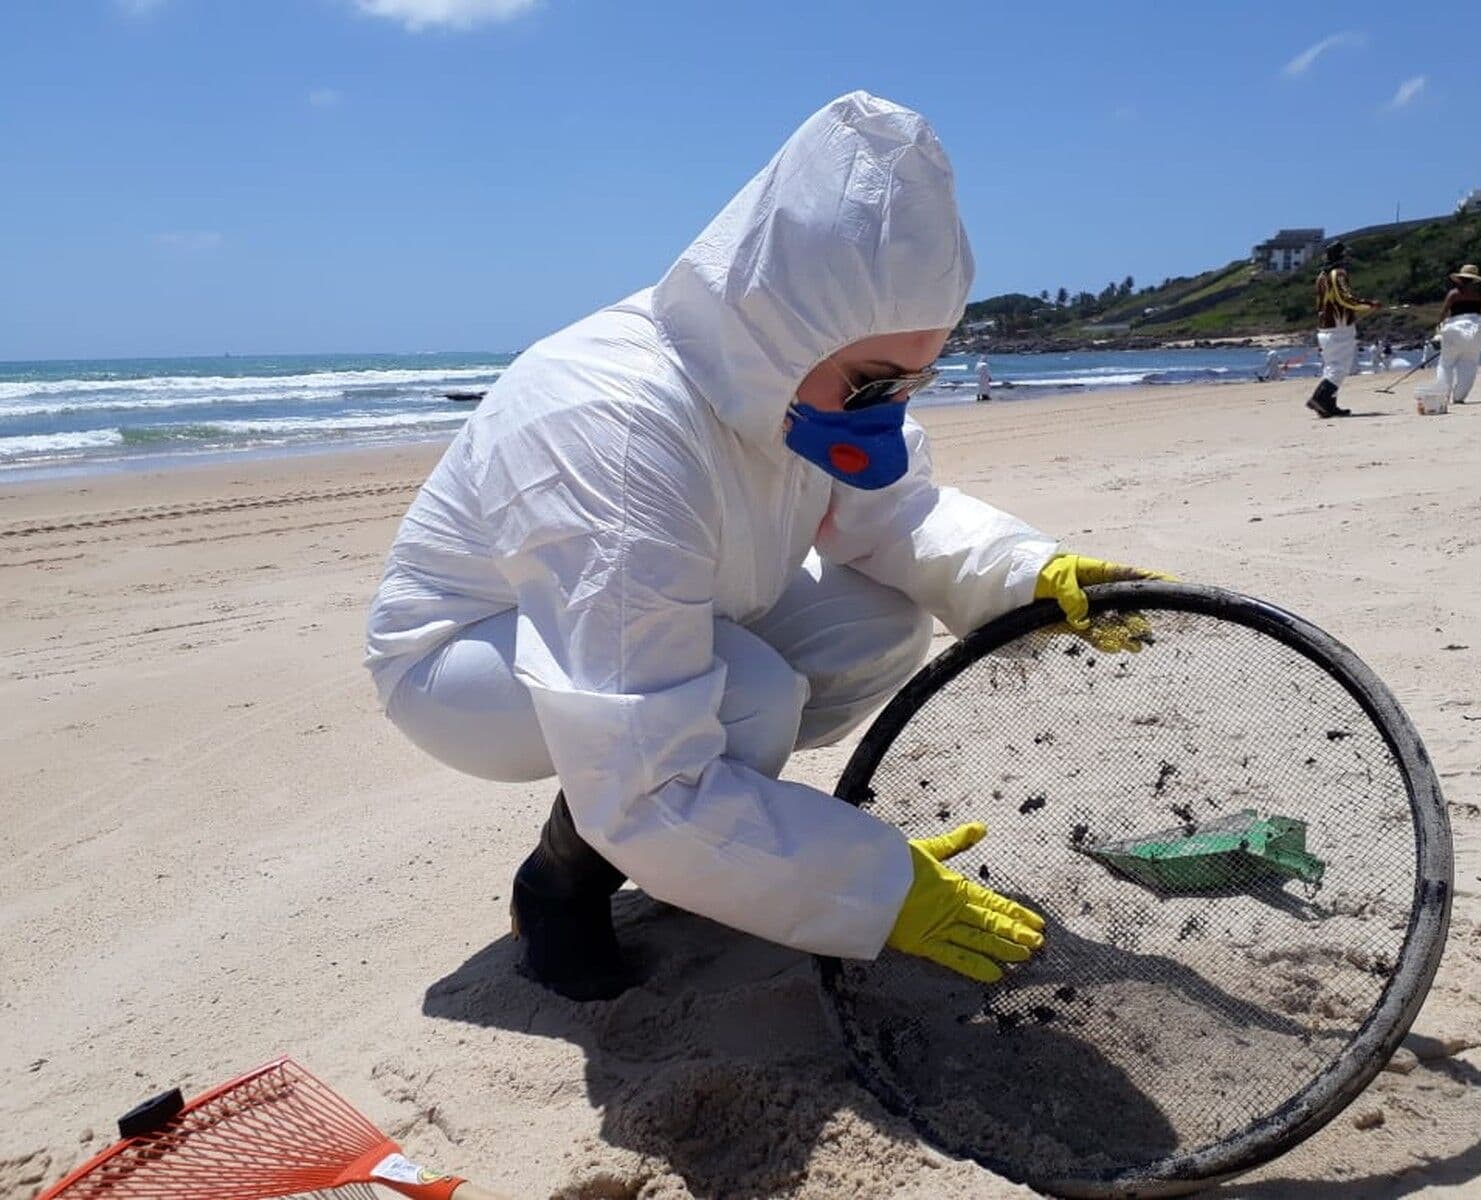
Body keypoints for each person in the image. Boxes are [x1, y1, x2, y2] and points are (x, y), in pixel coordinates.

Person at [364, 93, 1166, 1001]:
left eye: (914, 380)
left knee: (877, 622)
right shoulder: (612, 422)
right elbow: (644, 767)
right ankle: (561, 883)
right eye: (874, 383)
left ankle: (706, 853)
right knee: (744, 694)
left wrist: (1024, 574)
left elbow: (893, 516)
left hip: (681, 607)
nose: (890, 409)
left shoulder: (791, 380)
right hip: (459, 657)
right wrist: (871, 885)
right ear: (784, 333)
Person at [1307, 241, 1382, 418]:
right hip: (1339, 328)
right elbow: (1345, 299)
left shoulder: (1321, 276)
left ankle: (1329, 406)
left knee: (1331, 368)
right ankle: (1319, 398)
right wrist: (1369, 304)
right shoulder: (1338, 273)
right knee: (1340, 369)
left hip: (1325, 328)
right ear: (1341, 256)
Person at [1431, 263, 1481, 404]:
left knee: (1446, 364)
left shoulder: (1454, 294)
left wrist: (1437, 331)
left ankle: (1443, 396)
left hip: (1453, 330)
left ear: (1460, 279)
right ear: (1475, 280)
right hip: (1474, 331)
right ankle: (1459, 397)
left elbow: (1443, 314)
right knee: (1469, 364)